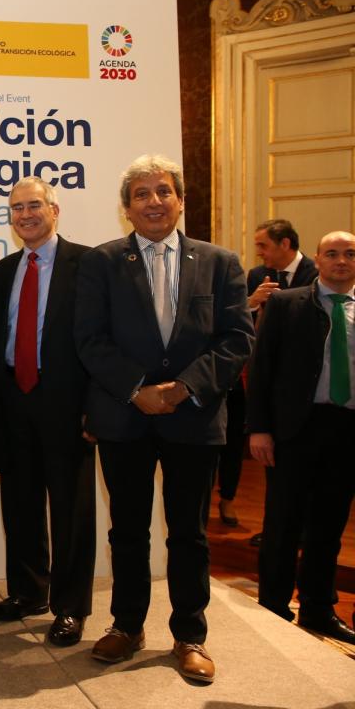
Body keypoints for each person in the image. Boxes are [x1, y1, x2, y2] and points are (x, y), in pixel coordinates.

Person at [74, 154, 253, 684]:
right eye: (142, 194)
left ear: (181, 200)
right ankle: (127, 626)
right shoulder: (102, 262)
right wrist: (138, 390)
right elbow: (89, 339)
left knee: (189, 535)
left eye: (163, 192)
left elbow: (238, 337)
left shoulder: (220, 262)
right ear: (126, 207)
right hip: (125, 417)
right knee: (127, 529)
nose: (153, 202)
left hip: (193, 419)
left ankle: (190, 635)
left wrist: (184, 388)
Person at [0, 177, 95, 646]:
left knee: (71, 508)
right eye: (17, 208)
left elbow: (99, 340)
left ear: (55, 209)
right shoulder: (2, 270)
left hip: (66, 400)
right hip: (13, 396)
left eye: (34, 205)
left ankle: (70, 607)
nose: (25, 214)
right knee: (20, 500)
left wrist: (96, 406)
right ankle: (29, 593)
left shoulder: (88, 264)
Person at [247, 230, 355, 644]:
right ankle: (272, 610)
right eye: (332, 253)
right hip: (296, 429)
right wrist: (259, 428)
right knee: (282, 525)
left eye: (349, 253)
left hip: (347, 431)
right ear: (317, 259)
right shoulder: (287, 304)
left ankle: (317, 609)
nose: (341, 260)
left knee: (329, 527)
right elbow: (262, 371)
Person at [235, 219, 317, 537]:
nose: (259, 253)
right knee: (279, 474)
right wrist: (253, 302)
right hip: (270, 376)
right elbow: (240, 318)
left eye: (263, 245)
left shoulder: (315, 273)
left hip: (308, 384)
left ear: (285, 244)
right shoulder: (257, 276)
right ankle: (277, 531)